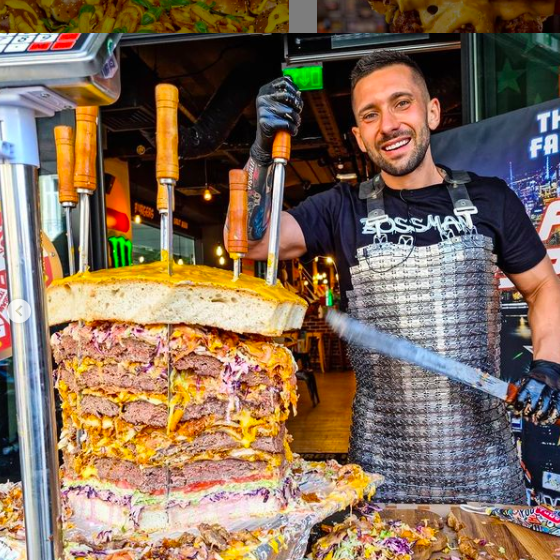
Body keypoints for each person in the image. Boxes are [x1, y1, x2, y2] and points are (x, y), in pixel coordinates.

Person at [224, 50, 560, 504]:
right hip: (380, 474)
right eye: (371, 114)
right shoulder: (341, 207)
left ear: (432, 112)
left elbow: (542, 285)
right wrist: (261, 152)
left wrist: (549, 365)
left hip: (487, 468)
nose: (389, 124)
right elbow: (248, 243)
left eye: (402, 103)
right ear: (359, 138)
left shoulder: (490, 198)